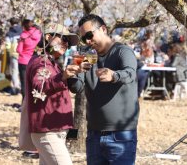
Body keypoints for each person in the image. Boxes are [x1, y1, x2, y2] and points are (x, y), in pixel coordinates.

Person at [64, 14, 138, 165]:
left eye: (90, 35)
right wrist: (71, 74)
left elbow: (130, 73)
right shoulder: (86, 55)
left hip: (121, 134)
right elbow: (77, 88)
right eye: (84, 38)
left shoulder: (122, 52)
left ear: (103, 29)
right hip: (94, 134)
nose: (88, 41)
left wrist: (114, 76)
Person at [25, 23, 79, 165]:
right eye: (63, 39)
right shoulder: (40, 62)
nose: (66, 44)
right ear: (48, 37)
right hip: (47, 131)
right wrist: (63, 77)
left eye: (68, 42)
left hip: (54, 130)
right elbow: (39, 85)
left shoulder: (51, 62)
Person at [17, 15, 42, 100]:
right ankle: (34, 102)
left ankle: (24, 102)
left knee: (24, 83)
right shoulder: (39, 34)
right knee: (34, 82)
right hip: (35, 61)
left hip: (23, 61)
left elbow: (19, 50)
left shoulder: (23, 35)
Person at [5, 17, 22, 93]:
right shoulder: (23, 31)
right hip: (23, 54)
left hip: (13, 54)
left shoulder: (9, 33)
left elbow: (7, 45)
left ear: (11, 23)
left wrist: (9, 51)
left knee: (14, 70)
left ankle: (16, 86)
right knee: (22, 71)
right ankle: (23, 86)